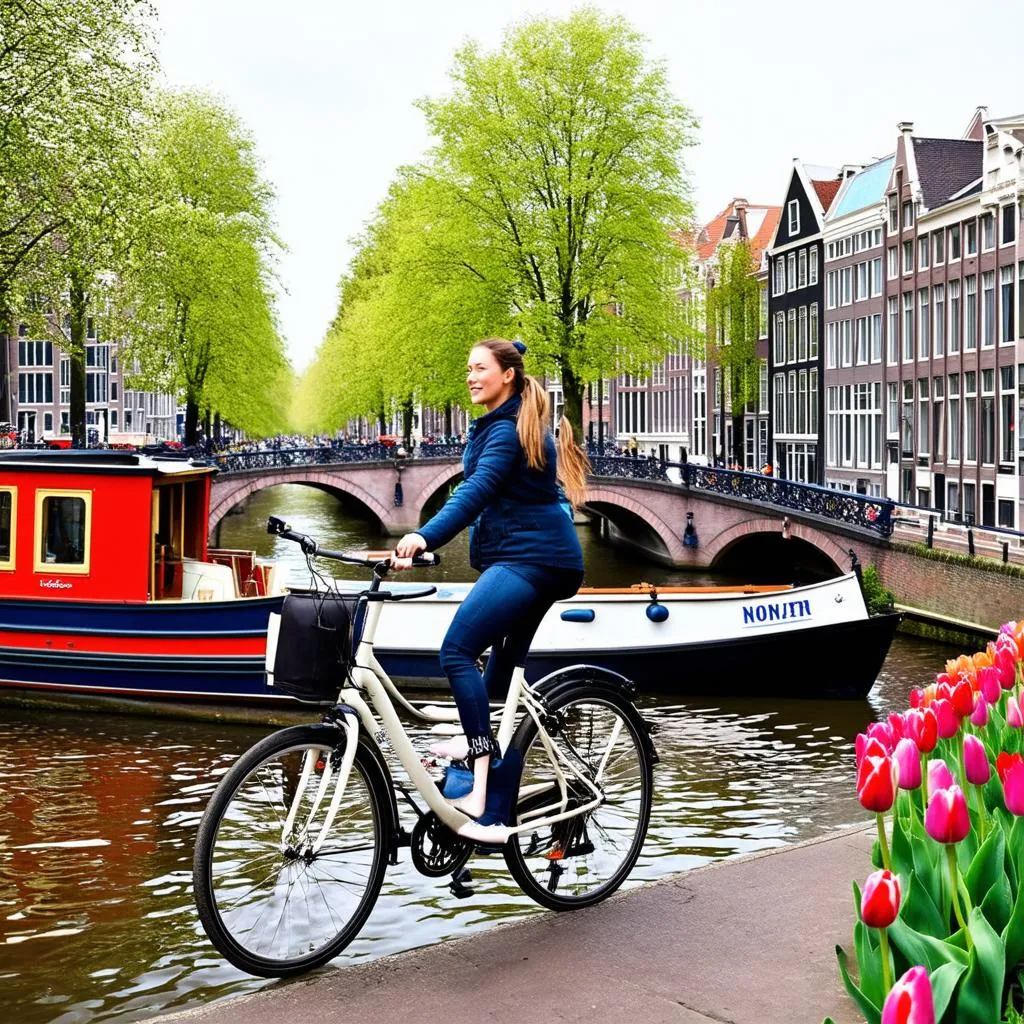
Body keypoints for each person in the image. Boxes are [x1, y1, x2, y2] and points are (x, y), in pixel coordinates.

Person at [390, 338, 588, 843]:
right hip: (534, 557)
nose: (471, 376)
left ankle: (480, 770)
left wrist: (423, 534)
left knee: (456, 651)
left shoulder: (506, 432)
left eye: (480, 368)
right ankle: (495, 796)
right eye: (468, 367)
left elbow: (473, 493)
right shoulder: (503, 424)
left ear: (507, 375)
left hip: (534, 559)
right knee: (500, 666)